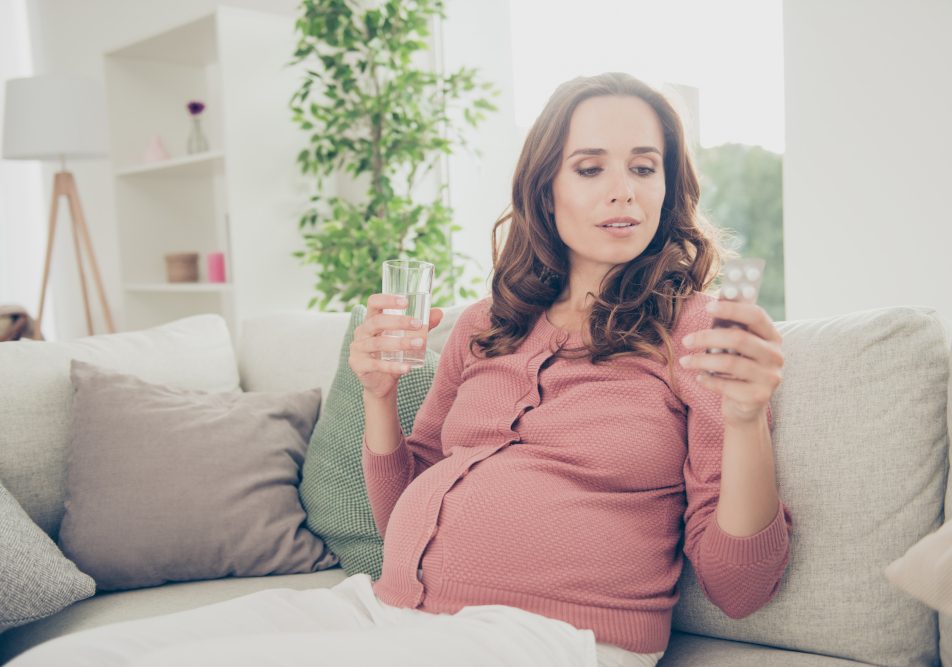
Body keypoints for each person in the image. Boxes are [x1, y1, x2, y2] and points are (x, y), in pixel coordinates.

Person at [10, 72, 790, 667]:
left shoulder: (699, 334)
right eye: (590, 167)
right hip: (392, 607)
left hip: (549, 635)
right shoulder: (487, 324)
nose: (624, 187)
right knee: (69, 657)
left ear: (668, 184)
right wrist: (380, 396)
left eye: (644, 166)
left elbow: (740, 585)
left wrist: (748, 419)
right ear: (546, 191)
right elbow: (397, 517)